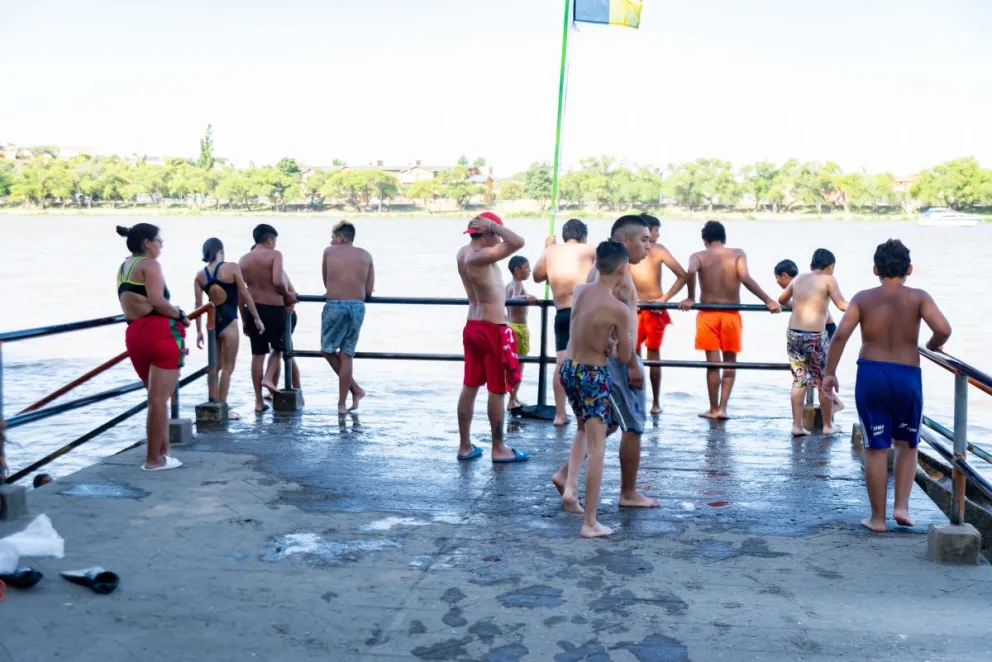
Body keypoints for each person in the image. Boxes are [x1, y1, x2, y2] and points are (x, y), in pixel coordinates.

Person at [821, 239, 951, 533]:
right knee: (908, 444)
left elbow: (840, 335)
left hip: (872, 374)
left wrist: (830, 373)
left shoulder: (862, 298)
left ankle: (877, 518)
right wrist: (932, 345)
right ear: (909, 269)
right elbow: (944, 329)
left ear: (875, 269)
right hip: (907, 375)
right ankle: (901, 507)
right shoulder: (919, 297)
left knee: (876, 447)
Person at [553, 215, 657, 509]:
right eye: (644, 240)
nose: (648, 246)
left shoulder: (597, 275)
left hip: (586, 361)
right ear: (625, 241)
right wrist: (632, 363)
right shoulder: (620, 280)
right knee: (633, 425)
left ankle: (566, 475)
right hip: (614, 361)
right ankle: (627, 492)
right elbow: (616, 326)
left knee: (602, 423)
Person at [558, 241, 634, 538]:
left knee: (585, 430)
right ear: (623, 269)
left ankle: (569, 487)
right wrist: (614, 347)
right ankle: (590, 522)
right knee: (597, 449)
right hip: (592, 375)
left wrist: (606, 342)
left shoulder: (580, 291)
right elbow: (625, 356)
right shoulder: (619, 309)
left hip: (570, 368)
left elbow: (583, 327)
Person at [680, 221, 781, 419]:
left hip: (708, 314)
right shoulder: (737, 254)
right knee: (730, 363)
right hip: (731, 314)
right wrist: (768, 300)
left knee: (713, 364)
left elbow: (691, 271)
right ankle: (723, 408)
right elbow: (746, 278)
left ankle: (713, 409)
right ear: (724, 238)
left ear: (705, 240)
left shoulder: (698, 256)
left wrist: (690, 297)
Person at [455, 212, 529, 463]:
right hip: (491, 329)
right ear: (487, 233)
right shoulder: (481, 256)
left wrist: (492, 228)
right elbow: (518, 242)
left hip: (473, 325)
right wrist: (495, 225)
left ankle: (465, 446)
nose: (499, 238)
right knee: (497, 390)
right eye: (495, 234)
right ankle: (498, 448)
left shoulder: (462, 253)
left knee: (470, 385)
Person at [115, 224, 188, 471]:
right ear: (147, 243)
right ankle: (153, 460)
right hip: (160, 333)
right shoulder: (151, 265)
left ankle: (164, 454)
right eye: (159, 241)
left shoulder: (125, 266)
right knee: (159, 400)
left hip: (135, 334)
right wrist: (180, 314)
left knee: (157, 400)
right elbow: (158, 301)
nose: (161, 246)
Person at [532, 219, 597, 425]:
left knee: (561, 364)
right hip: (586, 312)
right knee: (589, 362)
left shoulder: (551, 251)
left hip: (562, 313)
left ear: (564, 236)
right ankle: (587, 411)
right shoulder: (590, 249)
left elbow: (537, 276)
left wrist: (546, 249)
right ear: (583, 236)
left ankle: (560, 414)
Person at [777, 250, 848, 436]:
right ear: (830, 267)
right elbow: (842, 305)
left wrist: (798, 306)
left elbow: (782, 300)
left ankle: (797, 426)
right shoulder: (829, 279)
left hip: (793, 334)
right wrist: (862, 308)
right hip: (814, 337)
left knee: (799, 379)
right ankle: (827, 426)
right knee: (824, 381)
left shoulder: (799, 278)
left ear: (811, 266)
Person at [194, 238, 265, 420]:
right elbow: (245, 294)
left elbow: (198, 306)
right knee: (227, 367)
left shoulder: (200, 276)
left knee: (214, 366)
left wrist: (199, 331)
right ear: (220, 250)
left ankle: (213, 403)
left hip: (212, 324)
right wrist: (256, 317)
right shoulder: (232, 267)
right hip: (230, 322)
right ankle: (222, 407)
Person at [629, 213, 688, 415]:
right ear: (646, 230)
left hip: (653, 308)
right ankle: (640, 400)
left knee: (649, 356)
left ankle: (652, 401)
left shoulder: (657, 250)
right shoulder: (633, 251)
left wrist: (664, 299)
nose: (658, 235)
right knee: (635, 356)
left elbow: (682, 275)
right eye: (656, 231)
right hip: (636, 309)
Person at [238, 224, 297, 413]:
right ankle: (269, 378)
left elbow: (241, 293)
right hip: (275, 309)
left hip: (254, 310)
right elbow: (278, 280)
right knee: (280, 346)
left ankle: (258, 401)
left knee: (257, 354)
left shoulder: (243, 260)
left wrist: (244, 319)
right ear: (270, 239)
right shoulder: (275, 255)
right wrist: (287, 296)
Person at [321, 221, 373, 415]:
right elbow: (368, 290)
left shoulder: (329, 252)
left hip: (336, 305)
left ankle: (355, 390)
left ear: (341, 237)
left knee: (327, 350)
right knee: (346, 354)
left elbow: (326, 281)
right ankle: (343, 404)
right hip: (358, 306)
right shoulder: (366, 255)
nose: (331, 241)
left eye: (333, 237)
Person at [775, 259, 839, 339]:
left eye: (777, 277)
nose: (777, 281)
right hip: (822, 328)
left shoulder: (799, 284)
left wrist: (796, 306)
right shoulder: (804, 282)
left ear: (784, 275)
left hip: (825, 329)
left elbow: (781, 300)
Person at [505, 256, 537, 410]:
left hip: (509, 326)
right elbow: (514, 298)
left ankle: (513, 397)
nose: (530, 270)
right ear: (517, 270)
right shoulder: (517, 284)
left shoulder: (508, 285)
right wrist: (526, 296)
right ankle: (511, 400)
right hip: (519, 328)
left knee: (512, 364)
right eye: (527, 267)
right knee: (519, 365)